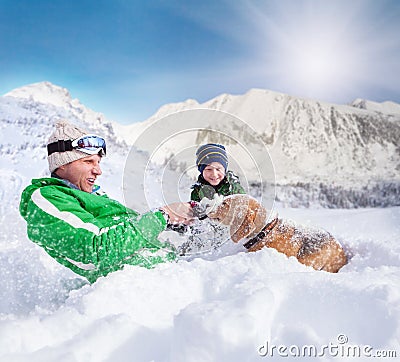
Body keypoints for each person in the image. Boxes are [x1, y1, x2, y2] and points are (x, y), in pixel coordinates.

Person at [19, 120, 193, 283]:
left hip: (172, 271)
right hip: (140, 286)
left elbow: (128, 232)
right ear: (62, 164)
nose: (98, 171)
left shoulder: (93, 195)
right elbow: (97, 249)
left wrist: (172, 226)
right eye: (88, 162)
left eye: (98, 162)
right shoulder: (46, 198)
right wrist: (162, 216)